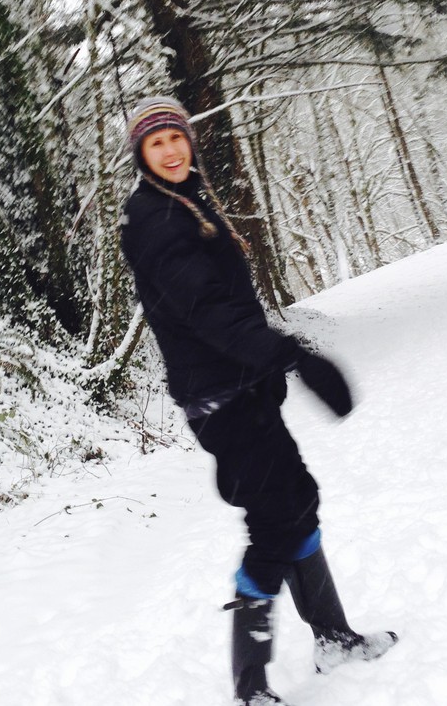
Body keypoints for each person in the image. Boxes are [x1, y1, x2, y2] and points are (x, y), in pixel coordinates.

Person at [118, 95, 397, 706]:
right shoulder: (156, 221)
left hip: (241, 388)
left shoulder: (184, 200)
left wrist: (274, 359)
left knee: (297, 502)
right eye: (155, 143)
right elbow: (208, 311)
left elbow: (229, 305)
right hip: (222, 399)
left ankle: (333, 638)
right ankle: (251, 686)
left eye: (176, 138)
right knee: (273, 522)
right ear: (140, 153)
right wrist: (290, 355)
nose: (170, 150)